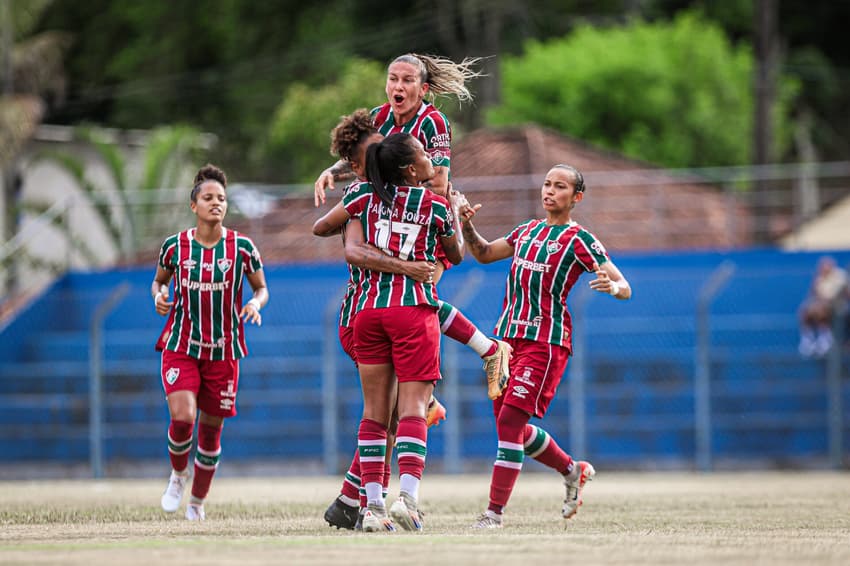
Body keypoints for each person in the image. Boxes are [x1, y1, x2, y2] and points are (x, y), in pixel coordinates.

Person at [315, 110, 511, 530]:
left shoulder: (360, 199)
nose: (430, 158)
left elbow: (323, 229)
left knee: (375, 414)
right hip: (411, 312)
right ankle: (406, 499)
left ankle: (366, 507)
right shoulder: (432, 203)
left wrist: (360, 212)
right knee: (411, 412)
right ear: (407, 167)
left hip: (364, 312)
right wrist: (455, 213)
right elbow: (456, 255)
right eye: (422, 154)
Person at [455, 164, 632, 529]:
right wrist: (466, 223)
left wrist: (612, 287)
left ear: (576, 197)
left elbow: (624, 286)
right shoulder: (527, 230)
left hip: (545, 342)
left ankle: (493, 514)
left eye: (560, 187)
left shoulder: (580, 240)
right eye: (547, 184)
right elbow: (485, 253)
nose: (550, 191)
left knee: (509, 422)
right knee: (513, 430)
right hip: (504, 342)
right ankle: (572, 470)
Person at [152, 164, 269, 521]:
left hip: (224, 351)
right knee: (184, 417)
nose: (216, 203)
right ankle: (177, 475)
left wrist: (253, 302)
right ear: (194, 205)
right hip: (181, 346)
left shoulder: (242, 247)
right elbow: (159, 282)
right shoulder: (175, 247)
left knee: (210, 431)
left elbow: (261, 288)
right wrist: (158, 295)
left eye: (221, 198)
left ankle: (197, 503)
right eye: (208, 198)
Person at [314, 53, 482, 204]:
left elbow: (438, 187)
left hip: (421, 213)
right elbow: (360, 162)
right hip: (385, 206)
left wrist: (383, 191)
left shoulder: (432, 122)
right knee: (338, 222)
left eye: (408, 80)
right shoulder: (377, 117)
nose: (398, 86)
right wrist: (331, 172)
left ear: (423, 89)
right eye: (393, 79)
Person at [798, 256, 849, 358]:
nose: (822, 269)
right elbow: (814, 294)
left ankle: (824, 337)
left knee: (820, 309)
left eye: (825, 267)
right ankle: (808, 339)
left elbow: (841, 294)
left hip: (837, 305)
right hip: (821, 304)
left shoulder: (840, 276)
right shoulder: (819, 278)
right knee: (805, 309)